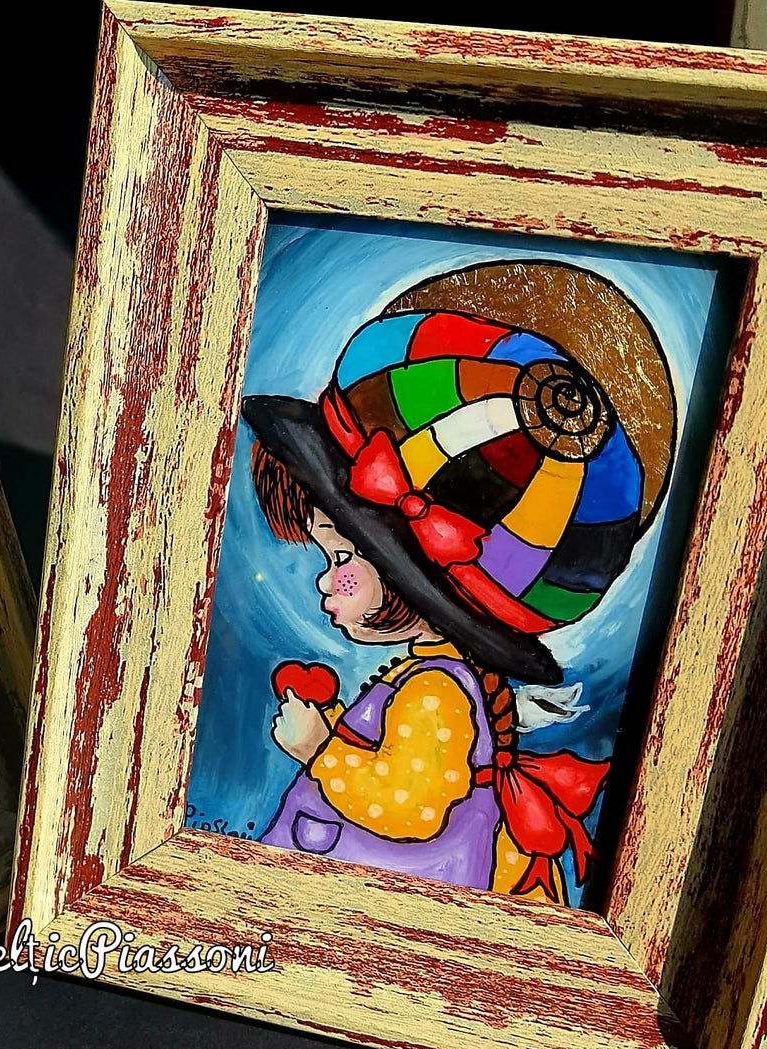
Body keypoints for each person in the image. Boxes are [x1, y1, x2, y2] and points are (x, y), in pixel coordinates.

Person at [240, 261, 677, 902]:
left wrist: (318, 750)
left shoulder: (438, 691)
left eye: (342, 558)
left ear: (414, 581)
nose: (327, 584)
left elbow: (411, 809)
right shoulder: (433, 681)